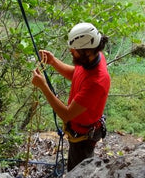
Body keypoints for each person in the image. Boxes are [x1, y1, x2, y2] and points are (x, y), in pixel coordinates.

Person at [31, 22, 110, 171]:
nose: (70, 52)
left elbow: (66, 114)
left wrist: (43, 86)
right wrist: (54, 61)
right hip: (79, 131)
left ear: (86, 51)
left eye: (74, 50)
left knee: (78, 171)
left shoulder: (97, 82)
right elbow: (76, 74)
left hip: (83, 138)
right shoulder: (94, 58)